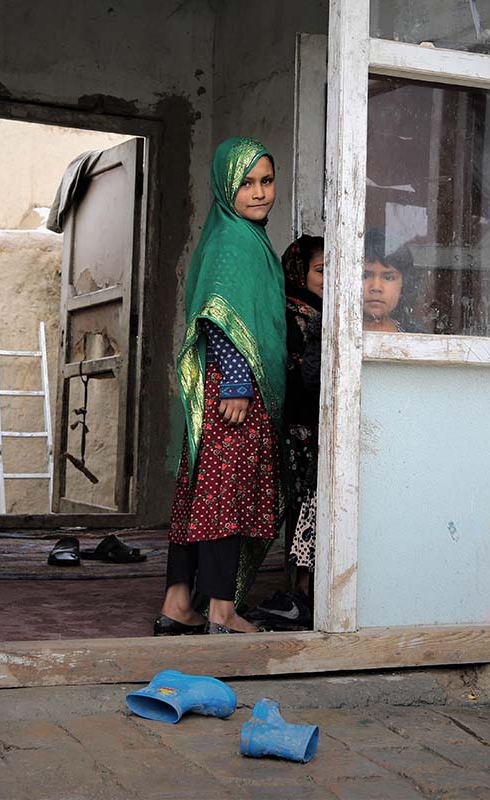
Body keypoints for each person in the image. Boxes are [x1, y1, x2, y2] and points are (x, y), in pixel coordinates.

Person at [154, 136, 287, 636]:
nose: (258, 193)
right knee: (225, 499)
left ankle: (178, 604)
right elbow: (218, 315)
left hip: (225, 393)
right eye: (246, 183)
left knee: (201, 496)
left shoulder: (239, 237)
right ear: (224, 188)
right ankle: (222, 612)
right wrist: (235, 381)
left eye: (267, 181)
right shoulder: (235, 241)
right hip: (233, 395)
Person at [245, 235, 323, 630]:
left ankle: (306, 589)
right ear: (298, 271)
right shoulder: (290, 313)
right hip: (296, 425)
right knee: (297, 507)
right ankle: (299, 589)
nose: (329, 278)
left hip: (316, 425)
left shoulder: (328, 312)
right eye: (321, 270)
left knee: (309, 507)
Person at [362, 228, 413, 332]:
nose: (376, 287)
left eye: (388, 277)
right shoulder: (325, 335)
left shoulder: (418, 338)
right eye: (365, 276)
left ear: (403, 284)